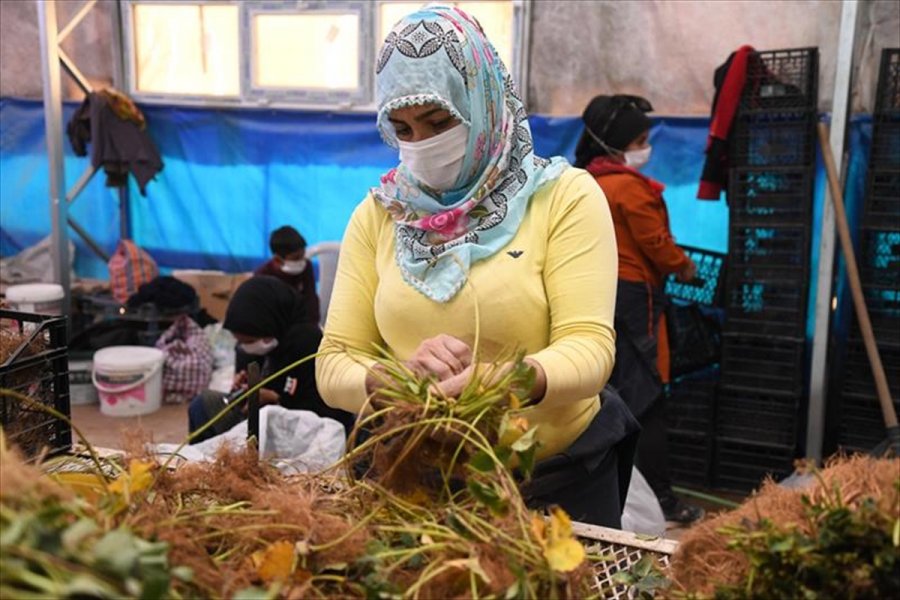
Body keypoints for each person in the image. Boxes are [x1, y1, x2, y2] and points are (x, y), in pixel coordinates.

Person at [316, 4, 639, 528]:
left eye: (439, 121)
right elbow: (333, 363)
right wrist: (396, 381)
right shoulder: (381, 214)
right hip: (410, 476)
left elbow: (591, 350)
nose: (420, 144)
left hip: (549, 485)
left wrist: (504, 381)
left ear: (484, 100)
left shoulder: (563, 198)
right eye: (402, 128)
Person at [573, 94, 704, 524]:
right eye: (640, 140)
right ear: (616, 143)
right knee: (646, 394)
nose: (645, 148)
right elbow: (656, 245)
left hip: (596, 294)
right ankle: (662, 500)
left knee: (608, 389)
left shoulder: (582, 183)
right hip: (634, 299)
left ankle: (620, 493)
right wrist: (685, 269)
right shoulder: (629, 188)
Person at [188, 276, 354, 443]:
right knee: (202, 405)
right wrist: (243, 391)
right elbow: (249, 393)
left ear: (271, 325)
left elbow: (329, 415)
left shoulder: (309, 346)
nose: (246, 347)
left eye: (250, 341)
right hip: (263, 421)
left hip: (304, 433)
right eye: (242, 342)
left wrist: (275, 399)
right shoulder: (249, 350)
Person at [255, 225, 320, 326]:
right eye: (296, 258)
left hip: (302, 323)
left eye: (303, 255)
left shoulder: (306, 266)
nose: (301, 260)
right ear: (278, 260)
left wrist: (312, 325)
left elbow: (311, 298)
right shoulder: (262, 276)